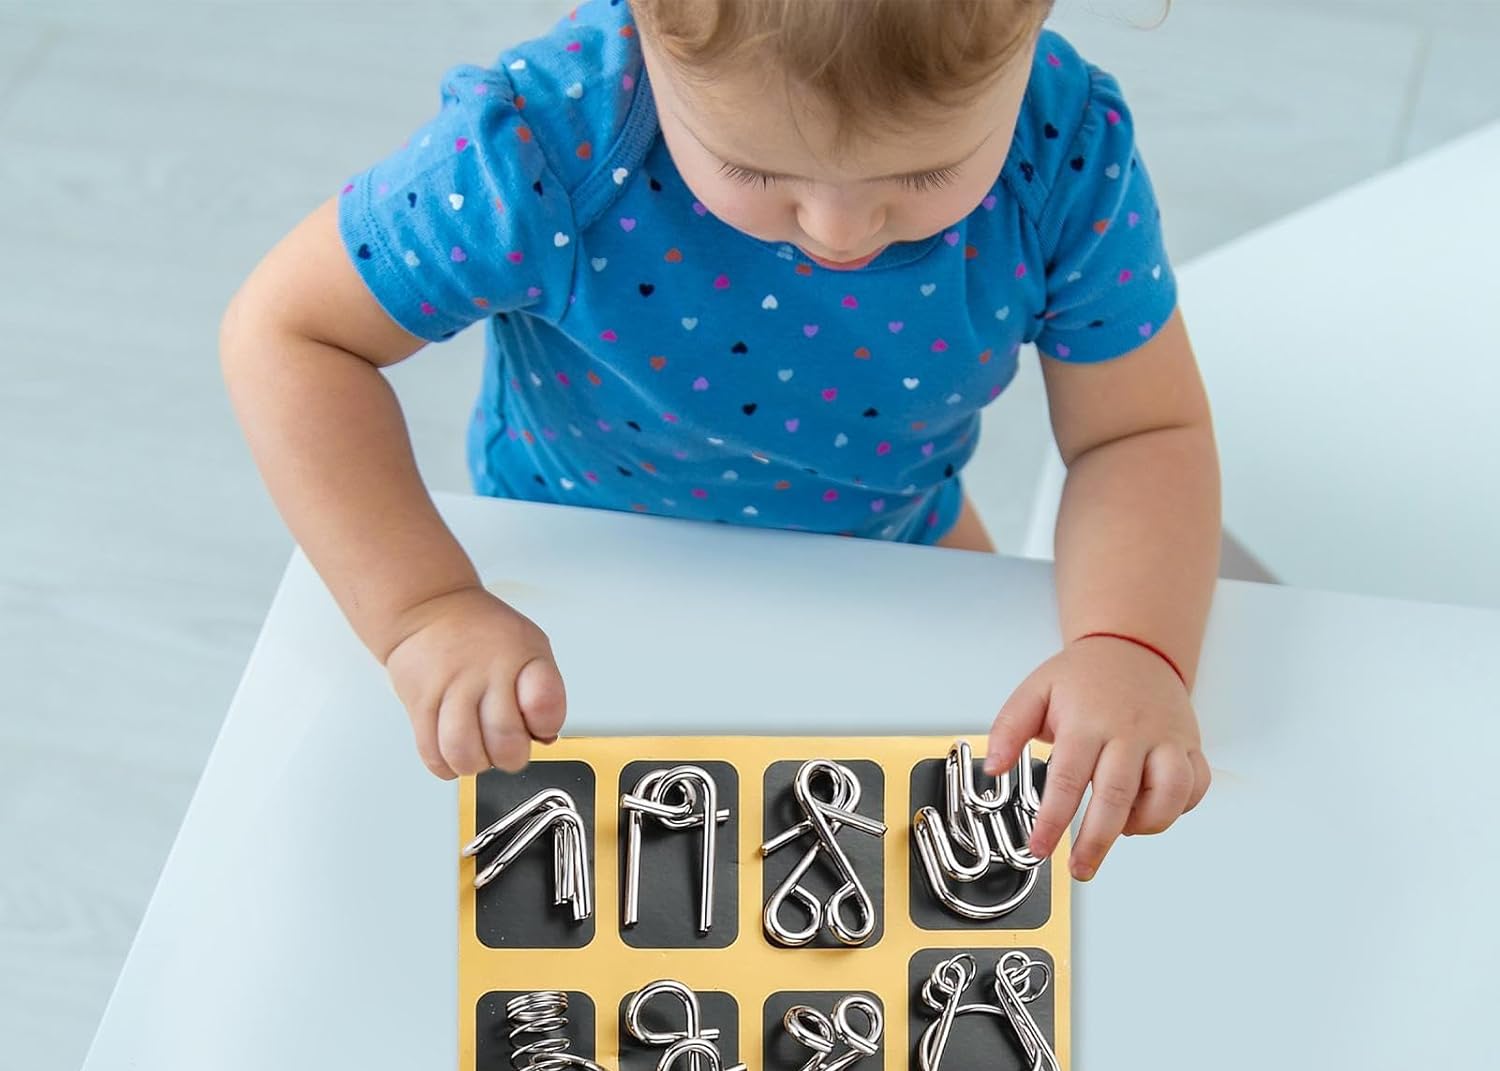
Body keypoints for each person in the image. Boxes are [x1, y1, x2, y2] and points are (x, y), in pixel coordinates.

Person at [220, 0, 1217, 881]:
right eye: (756, 170)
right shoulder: (548, 145)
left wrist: (1128, 647)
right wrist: (423, 608)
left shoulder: (1065, 155)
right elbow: (288, 334)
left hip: (892, 543)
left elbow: (1139, 431)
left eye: (925, 173)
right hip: (572, 563)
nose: (838, 230)